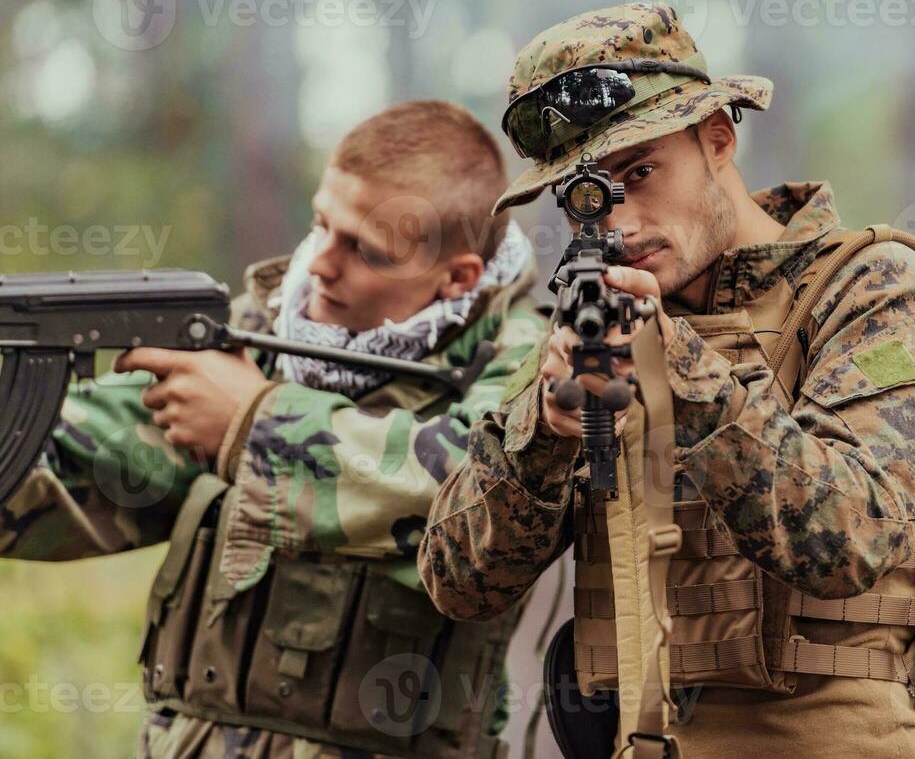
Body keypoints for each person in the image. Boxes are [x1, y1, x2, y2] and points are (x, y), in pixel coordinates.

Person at [419, 2, 915, 759]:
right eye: (586, 195)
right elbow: (460, 583)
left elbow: (852, 539)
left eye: (641, 172)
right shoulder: (594, 318)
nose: (619, 222)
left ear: (718, 139)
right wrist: (545, 434)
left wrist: (681, 369)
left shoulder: (872, 288)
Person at [1, 100, 547, 759]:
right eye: (321, 225)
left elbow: (468, 494)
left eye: (363, 250)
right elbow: (66, 465)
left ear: (455, 275)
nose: (319, 263)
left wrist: (252, 424)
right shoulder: (264, 337)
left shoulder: (528, 363)